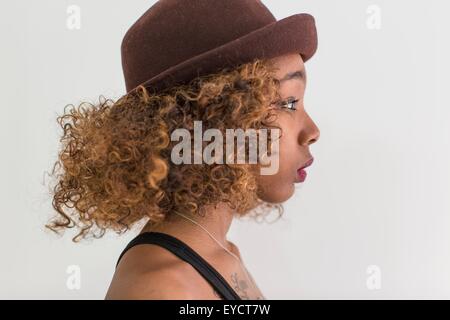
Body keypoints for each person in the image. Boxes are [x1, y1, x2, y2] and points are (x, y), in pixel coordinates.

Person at [47, 0, 320, 300]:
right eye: (289, 103)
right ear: (214, 117)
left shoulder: (223, 254)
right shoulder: (164, 289)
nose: (313, 132)